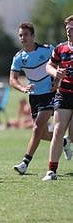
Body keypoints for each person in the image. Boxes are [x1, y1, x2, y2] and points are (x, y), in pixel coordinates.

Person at [9, 22, 72, 176]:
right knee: (42, 133)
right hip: (34, 97)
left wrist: (56, 81)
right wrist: (23, 88)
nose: (23, 38)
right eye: (20, 35)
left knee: (37, 128)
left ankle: (25, 162)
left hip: (51, 94)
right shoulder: (19, 57)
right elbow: (12, 79)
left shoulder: (47, 49)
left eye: (25, 35)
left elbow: (58, 63)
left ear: (33, 36)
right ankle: (64, 142)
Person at [42, 15, 73, 181]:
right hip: (64, 93)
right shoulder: (60, 49)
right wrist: (56, 73)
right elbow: (49, 65)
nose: (69, 32)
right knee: (58, 129)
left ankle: (68, 141)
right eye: (67, 29)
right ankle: (51, 171)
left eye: (72, 29)